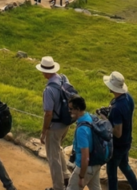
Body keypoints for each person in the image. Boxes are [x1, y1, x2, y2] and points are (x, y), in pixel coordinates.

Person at [39, 56, 74, 190]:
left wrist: (44, 131)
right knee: (58, 150)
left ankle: (58, 187)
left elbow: (48, 113)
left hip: (55, 127)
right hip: (66, 123)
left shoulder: (49, 90)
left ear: (46, 72)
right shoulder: (63, 79)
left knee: (53, 158)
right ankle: (66, 176)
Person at [103, 71, 137, 190]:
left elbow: (117, 133)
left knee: (111, 173)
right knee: (124, 166)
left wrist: (105, 119)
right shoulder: (128, 98)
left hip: (117, 146)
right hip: (127, 140)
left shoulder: (117, 108)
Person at [67, 95, 102, 190]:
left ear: (78, 109)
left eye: (71, 109)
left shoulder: (82, 130)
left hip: (85, 167)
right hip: (96, 163)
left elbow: (85, 156)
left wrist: (81, 176)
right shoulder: (89, 117)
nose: (69, 111)